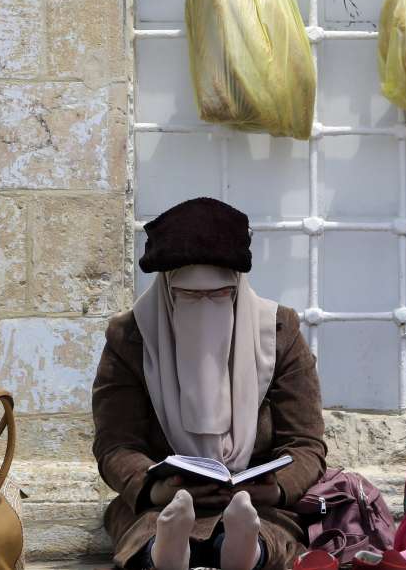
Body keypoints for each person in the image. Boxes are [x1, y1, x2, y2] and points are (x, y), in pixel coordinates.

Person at [93, 198, 328, 570]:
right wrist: (154, 487)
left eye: (219, 294)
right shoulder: (131, 337)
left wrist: (277, 487)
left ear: (237, 286)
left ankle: (245, 548)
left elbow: (305, 442)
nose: (205, 306)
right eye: (189, 295)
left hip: (256, 501)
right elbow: (116, 443)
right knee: (146, 529)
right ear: (167, 290)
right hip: (163, 502)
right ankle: (165, 550)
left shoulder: (277, 332)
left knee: (269, 531)